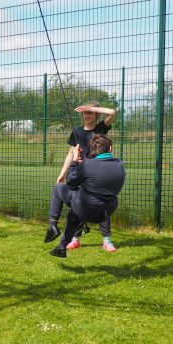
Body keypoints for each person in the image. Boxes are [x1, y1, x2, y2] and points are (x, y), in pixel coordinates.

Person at [50, 101, 118, 251]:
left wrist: (88, 107)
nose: (87, 115)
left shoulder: (101, 128)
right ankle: (75, 239)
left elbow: (112, 112)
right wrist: (62, 174)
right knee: (78, 203)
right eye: (85, 113)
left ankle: (107, 241)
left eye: (90, 113)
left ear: (96, 115)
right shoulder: (77, 132)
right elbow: (71, 154)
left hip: (98, 173)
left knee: (102, 203)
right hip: (81, 172)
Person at [48, 134, 125, 258]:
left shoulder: (88, 165)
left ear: (92, 150)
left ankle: (52, 226)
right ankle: (61, 247)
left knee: (58, 188)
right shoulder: (119, 164)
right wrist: (84, 165)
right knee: (74, 212)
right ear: (110, 149)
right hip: (106, 211)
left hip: (86, 207)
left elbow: (70, 181)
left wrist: (75, 161)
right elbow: (99, 172)